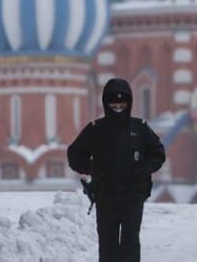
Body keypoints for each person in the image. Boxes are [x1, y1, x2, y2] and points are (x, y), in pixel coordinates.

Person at [68, 78, 165, 262]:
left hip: (133, 196)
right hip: (106, 196)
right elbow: (74, 154)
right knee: (108, 244)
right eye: (114, 104)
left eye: (122, 104)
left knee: (130, 243)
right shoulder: (96, 130)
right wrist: (92, 169)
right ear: (105, 103)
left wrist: (144, 170)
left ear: (129, 103)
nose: (118, 108)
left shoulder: (140, 129)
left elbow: (158, 153)